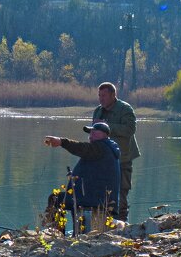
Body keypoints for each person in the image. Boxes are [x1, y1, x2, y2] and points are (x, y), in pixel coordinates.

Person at [43, 121, 121, 233]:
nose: (90, 136)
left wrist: (61, 142)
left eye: (94, 133)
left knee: (55, 199)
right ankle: (67, 232)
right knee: (65, 198)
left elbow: (81, 148)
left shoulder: (101, 148)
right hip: (94, 196)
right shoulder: (106, 148)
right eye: (90, 134)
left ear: (104, 135)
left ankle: (56, 233)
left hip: (94, 198)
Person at [92, 82, 139, 221]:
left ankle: (123, 226)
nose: (101, 99)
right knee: (102, 193)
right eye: (99, 95)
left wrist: (106, 126)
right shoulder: (98, 110)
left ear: (113, 95)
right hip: (102, 160)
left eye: (104, 95)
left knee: (121, 193)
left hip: (122, 159)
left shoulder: (125, 109)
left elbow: (130, 130)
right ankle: (103, 226)